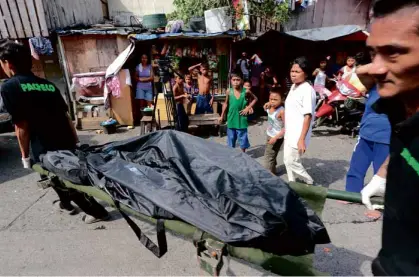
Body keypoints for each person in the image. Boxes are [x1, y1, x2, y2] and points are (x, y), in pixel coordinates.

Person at [0, 40, 109, 224]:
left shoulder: (9, 86)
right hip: (64, 140)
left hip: (44, 147)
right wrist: (74, 142)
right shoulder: (48, 85)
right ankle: (66, 204)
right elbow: (67, 118)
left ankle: (98, 213)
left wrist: (25, 156)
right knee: (55, 177)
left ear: (8, 63)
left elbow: (21, 126)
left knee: (68, 180)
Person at [361, 0, 419, 275]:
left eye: (393, 52)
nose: (375, 68)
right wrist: (383, 174)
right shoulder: (401, 105)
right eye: (372, 53)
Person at [345, 65, 391, 194]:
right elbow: (359, 71)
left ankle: (377, 203)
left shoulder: (403, 90)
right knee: (356, 167)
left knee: (381, 173)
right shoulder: (374, 86)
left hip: (386, 138)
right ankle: (351, 193)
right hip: (365, 134)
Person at [282, 57, 316, 185]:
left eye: (297, 72)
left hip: (298, 133)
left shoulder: (307, 90)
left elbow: (308, 116)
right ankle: (292, 183)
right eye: (292, 71)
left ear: (305, 73)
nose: (293, 74)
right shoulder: (294, 87)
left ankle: (309, 182)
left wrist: (301, 139)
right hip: (290, 131)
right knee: (287, 160)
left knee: (293, 161)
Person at [219, 74, 257, 153]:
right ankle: (231, 153)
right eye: (234, 80)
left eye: (238, 80)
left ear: (241, 81)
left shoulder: (245, 91)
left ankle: (243, 153)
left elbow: (255, 99)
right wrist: (222, 115)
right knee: (231, 138)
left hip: (241, 119)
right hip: (231, 118)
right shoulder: (229, 91)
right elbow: (225, 103)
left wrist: (248, 107)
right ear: (231, 81)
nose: (236, 82)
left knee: (242, 138)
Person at [263, 87, 285, 174]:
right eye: (271, 99)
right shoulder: (270, 106)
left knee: (268, 157)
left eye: (275, 99)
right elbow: (267, 109)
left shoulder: (282, 111)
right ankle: (273, 172)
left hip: (277, 137)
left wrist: (276, 138)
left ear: (282, 99)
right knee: (272, 154)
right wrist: (267, 104)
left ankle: (268, 177)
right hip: (269, 134)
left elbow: (286, 128)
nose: (272, 101)